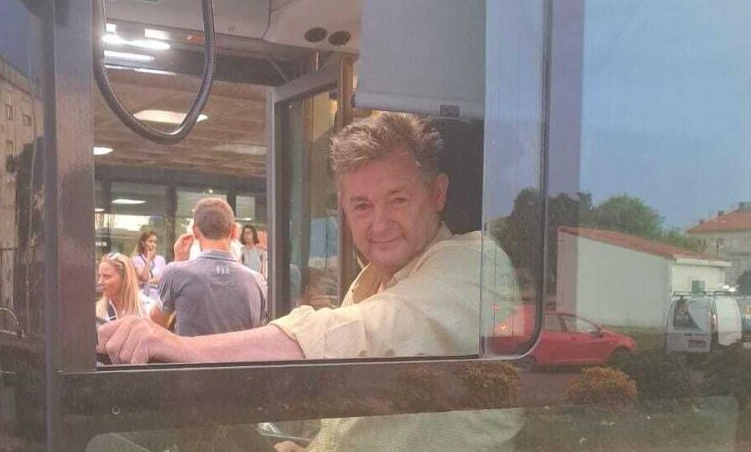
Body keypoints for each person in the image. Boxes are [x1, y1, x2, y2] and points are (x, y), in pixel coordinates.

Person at [98, 113, 521, 451]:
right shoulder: (374, 279)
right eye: (362, 205)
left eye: (398, 199)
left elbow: (362, 335)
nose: (379, 224)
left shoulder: (475, 263)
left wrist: (184, 349)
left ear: (437, 194)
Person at [158, 198, 267, 336]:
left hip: (192, 350)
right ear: (234, 231)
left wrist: (178, 261)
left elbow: (156, 323)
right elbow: (260, 332)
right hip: (239, 350)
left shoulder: (175, 273)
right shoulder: (257, 281)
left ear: (195, 231)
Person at [96, 252, 168, 327]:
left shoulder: (149, 309)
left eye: (106, 276)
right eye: (99, 276)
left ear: (125, 278)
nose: (100, 282)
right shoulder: (96, 311)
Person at [132, 231, 166, 300]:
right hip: (142, 296)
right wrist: (148, 259)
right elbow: (144, 278)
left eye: (155, 242)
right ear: (143, 243)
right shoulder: (136, 259)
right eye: (150, 241)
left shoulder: (161, 259)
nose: (153, 245)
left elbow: (163, 279)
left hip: (157, 295)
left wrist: (149, 282)